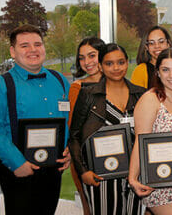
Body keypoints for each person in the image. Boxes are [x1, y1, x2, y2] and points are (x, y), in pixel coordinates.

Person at [0, 24, 71, 215]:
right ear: (13, 51)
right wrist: (16, 163)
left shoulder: (60, 80)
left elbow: (69, 119)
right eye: (25, 45)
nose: (33, 50)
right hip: (19, 169)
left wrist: (68, 148)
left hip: (54, 168)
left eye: (38, 44)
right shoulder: (0, 85)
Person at [68, 43, 145, 215]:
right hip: (100, 178)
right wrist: (83, 171)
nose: (116, 68)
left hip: (134, 175)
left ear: (127, 63)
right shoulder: (89, 95)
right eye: (109, 64)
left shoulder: (141, 95)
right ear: (101, 66)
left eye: (121, 62)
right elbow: (74, 136)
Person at [128, 48, 172, 215]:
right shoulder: (151, 99)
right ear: (158, 73)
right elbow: (140, 142)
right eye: (165, 69)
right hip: (159, 183)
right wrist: (132, 178)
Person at [67, 37, 105, 214]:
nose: (87, 62)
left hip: (117, 159)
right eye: (82, 58)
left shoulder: (117, 83)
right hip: (86, 160)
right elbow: (73, 131)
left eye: (92, 55)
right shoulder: (77, 88)